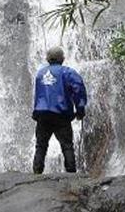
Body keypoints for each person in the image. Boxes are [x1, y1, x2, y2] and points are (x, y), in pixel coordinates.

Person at [32, 46, 87, 174]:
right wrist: (80, 109)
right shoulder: (67, 72)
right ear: (62, 59)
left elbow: (39, 94)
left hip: (42, 114)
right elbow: (78, 88)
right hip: (61, 114)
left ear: (47, 59)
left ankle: (36, 173)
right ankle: (71, 173)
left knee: (41, 146)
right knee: (67, 145)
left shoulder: (40, 73)